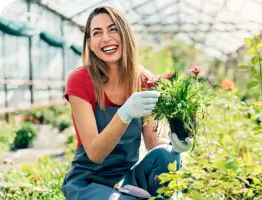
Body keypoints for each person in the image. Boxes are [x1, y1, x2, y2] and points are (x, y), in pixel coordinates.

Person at [61, 6, 193, 200]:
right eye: (97, 33)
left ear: (125, 34)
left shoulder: (144, 79)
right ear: (89, 43)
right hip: (89, 181)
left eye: (113, 29)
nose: (106, 38)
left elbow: (152, 141)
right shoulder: (80, 80)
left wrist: (176, 145)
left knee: (167, 155)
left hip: (128, 179)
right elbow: (95, 154)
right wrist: (124, 114)